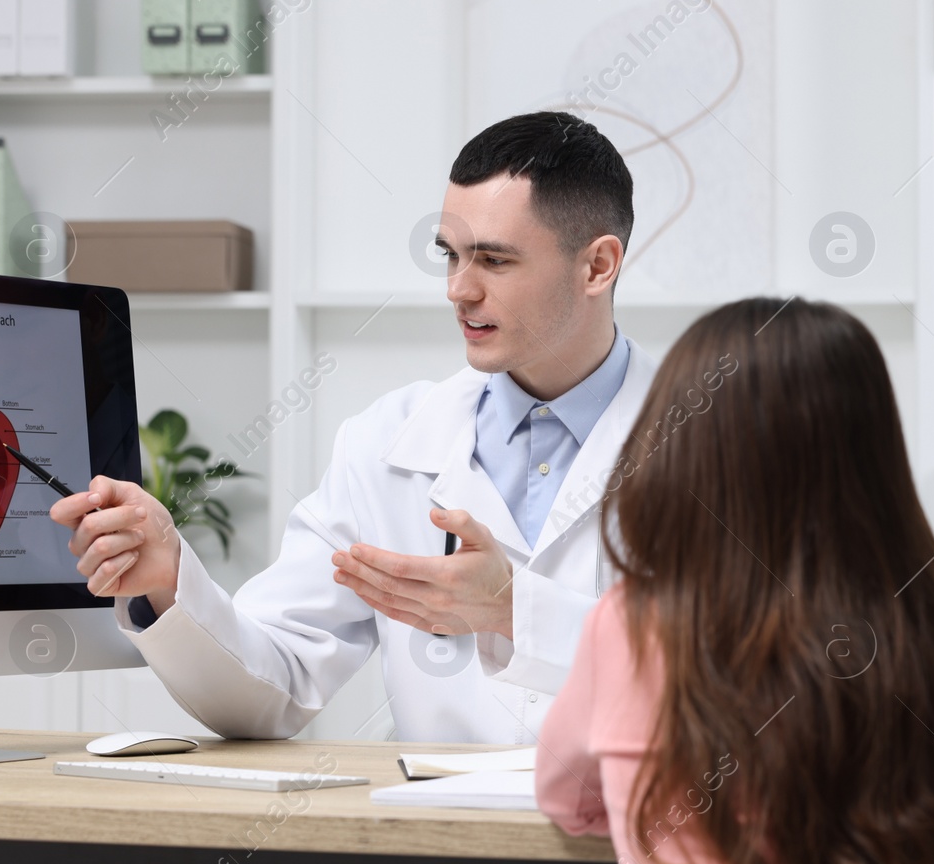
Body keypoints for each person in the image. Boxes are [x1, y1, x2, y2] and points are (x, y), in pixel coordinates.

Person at [49, 112, 657, 741]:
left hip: (645, 838)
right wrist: (172, 582)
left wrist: (513, 611)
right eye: (451, 255)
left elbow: (747, 686)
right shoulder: (385, 443)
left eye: (495, 261)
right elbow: (270, 689)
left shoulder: (726, 438)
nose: (457, 289)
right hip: (433, 835)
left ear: (597, 267)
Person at [535, 297, 934, 864]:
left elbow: (567, 801)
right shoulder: (933, 621)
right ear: (874, 463)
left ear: (683, 454)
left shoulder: (631, 626)